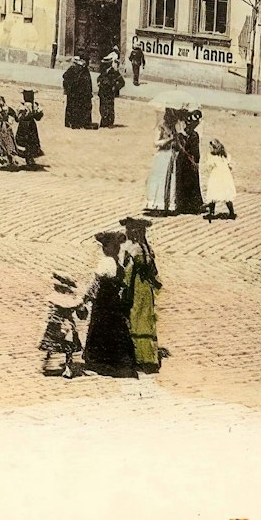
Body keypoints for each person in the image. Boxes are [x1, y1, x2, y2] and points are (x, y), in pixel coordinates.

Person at [81, 228, 136, 377]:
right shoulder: (108, 262)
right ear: (106, 248)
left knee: (105, 328)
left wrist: (86, 298)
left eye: (117, 246)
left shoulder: (113, 261)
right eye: (113, 246)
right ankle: (108, 360)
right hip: (106, 300)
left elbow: (97, 283)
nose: (116, 249)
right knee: (109, 328)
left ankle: (103, 359)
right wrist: (86, 297)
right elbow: (97, 283)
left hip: (107, 301)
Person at [119, 217, 162, 373]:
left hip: (136, 287)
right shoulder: (147, 248)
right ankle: (148, 356)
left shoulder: (133, 249)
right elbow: (154, 272)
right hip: (146, 288)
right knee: (146, 319)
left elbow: (128, 271)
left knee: (135, 318)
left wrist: (123, 287)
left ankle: (138, 356)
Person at [38, 272, 85, 378]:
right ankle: (67, 368)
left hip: (55, 324)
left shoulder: (54, 299)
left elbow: (50, 312)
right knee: (68, 347)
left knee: (51, 344)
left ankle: (46, 363)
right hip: (66, 325)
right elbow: (82, 314)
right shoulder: (73, 300)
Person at [143, 107, 182, 214]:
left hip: (171, 156)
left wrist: (177, 143)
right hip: (162, 156)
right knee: (160, 179)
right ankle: (156, 204)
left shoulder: (174, 129)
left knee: (170, 180)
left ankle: (168, 204)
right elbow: (155, 143)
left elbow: (177, 144)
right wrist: (168, 140)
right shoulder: (161, 127)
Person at [174, 110, 204, 215]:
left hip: (182, 160)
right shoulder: (194, 135)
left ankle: (182, 204)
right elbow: (196, 152)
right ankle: (192, 205)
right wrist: (196, 161)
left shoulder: (180, 134)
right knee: (191, 182)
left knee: (182, 181)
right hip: (190, 161)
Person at [200, 139, 236, 220]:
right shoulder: (225, 156)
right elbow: (229, 166)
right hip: (225, 177)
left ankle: (211, 213)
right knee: (226, 195)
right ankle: (231, 213)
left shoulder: (213, 157)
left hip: (216, 177)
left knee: (213, 194)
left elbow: (209, 165)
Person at [14, 89, 44, 169]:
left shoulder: (22, 105)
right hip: (30, 125)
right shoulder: (34, 105)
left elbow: (17, 118)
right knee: (30, 141)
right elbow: (38, 117)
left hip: (25, 125)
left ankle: (28, 159)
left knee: (25, 141)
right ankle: (29, 159)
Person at [62, 56, 93, 129]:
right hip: (75, 92)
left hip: (80, 93)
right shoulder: (74, 69)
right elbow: (65, 77)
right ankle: (74, 123)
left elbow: (88, 82)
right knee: (74, 107)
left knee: (77, 107)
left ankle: (77, 123)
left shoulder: (84, 70)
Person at [96, 53, 125, 129]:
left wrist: (115, 88)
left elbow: (122, 82)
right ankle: (104, 121)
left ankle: (109, 122)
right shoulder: (103, 71)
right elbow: (99, 78)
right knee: (102, 107)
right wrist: (98, 82)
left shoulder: (114, 72)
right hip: (102, 92)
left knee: (109, 108)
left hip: (109, 93)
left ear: (109, 64)